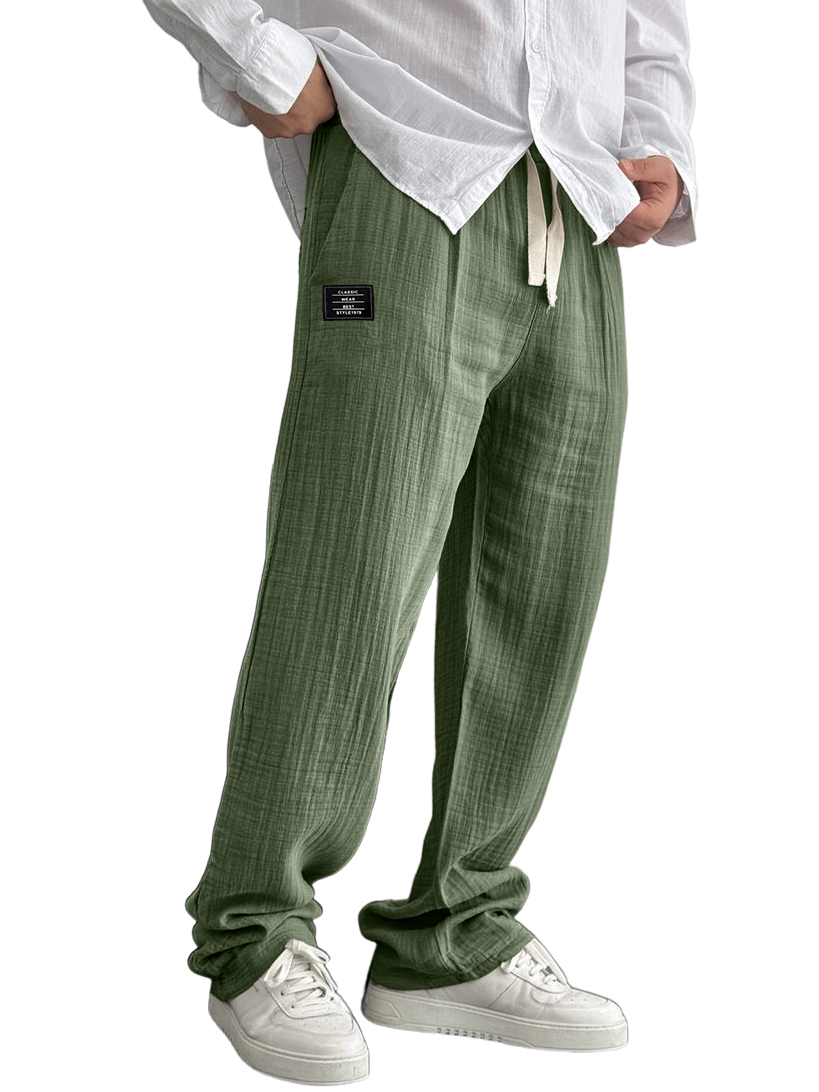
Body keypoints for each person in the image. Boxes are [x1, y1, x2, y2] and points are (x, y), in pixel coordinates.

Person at [143, 1, 697, 1083]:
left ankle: (455, 933)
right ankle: (257, 929)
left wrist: (659, 136)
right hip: (409, 156)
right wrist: (257, 57)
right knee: (349, 567)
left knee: (543, 590)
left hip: (580, 198)